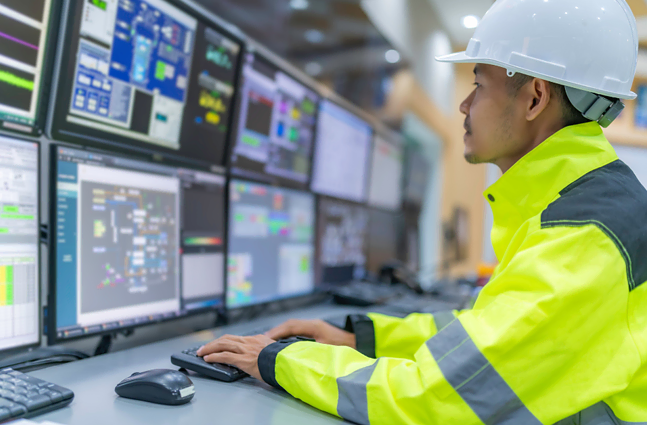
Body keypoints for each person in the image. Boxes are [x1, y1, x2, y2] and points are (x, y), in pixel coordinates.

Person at [197, 0, 647, 423]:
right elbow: (482, 335)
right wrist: (362, 339)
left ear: (535, 97)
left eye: (478, 85)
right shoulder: (574, 204)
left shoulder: (585, 236)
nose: (464, 105)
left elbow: (435, 397)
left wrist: (277, 358)